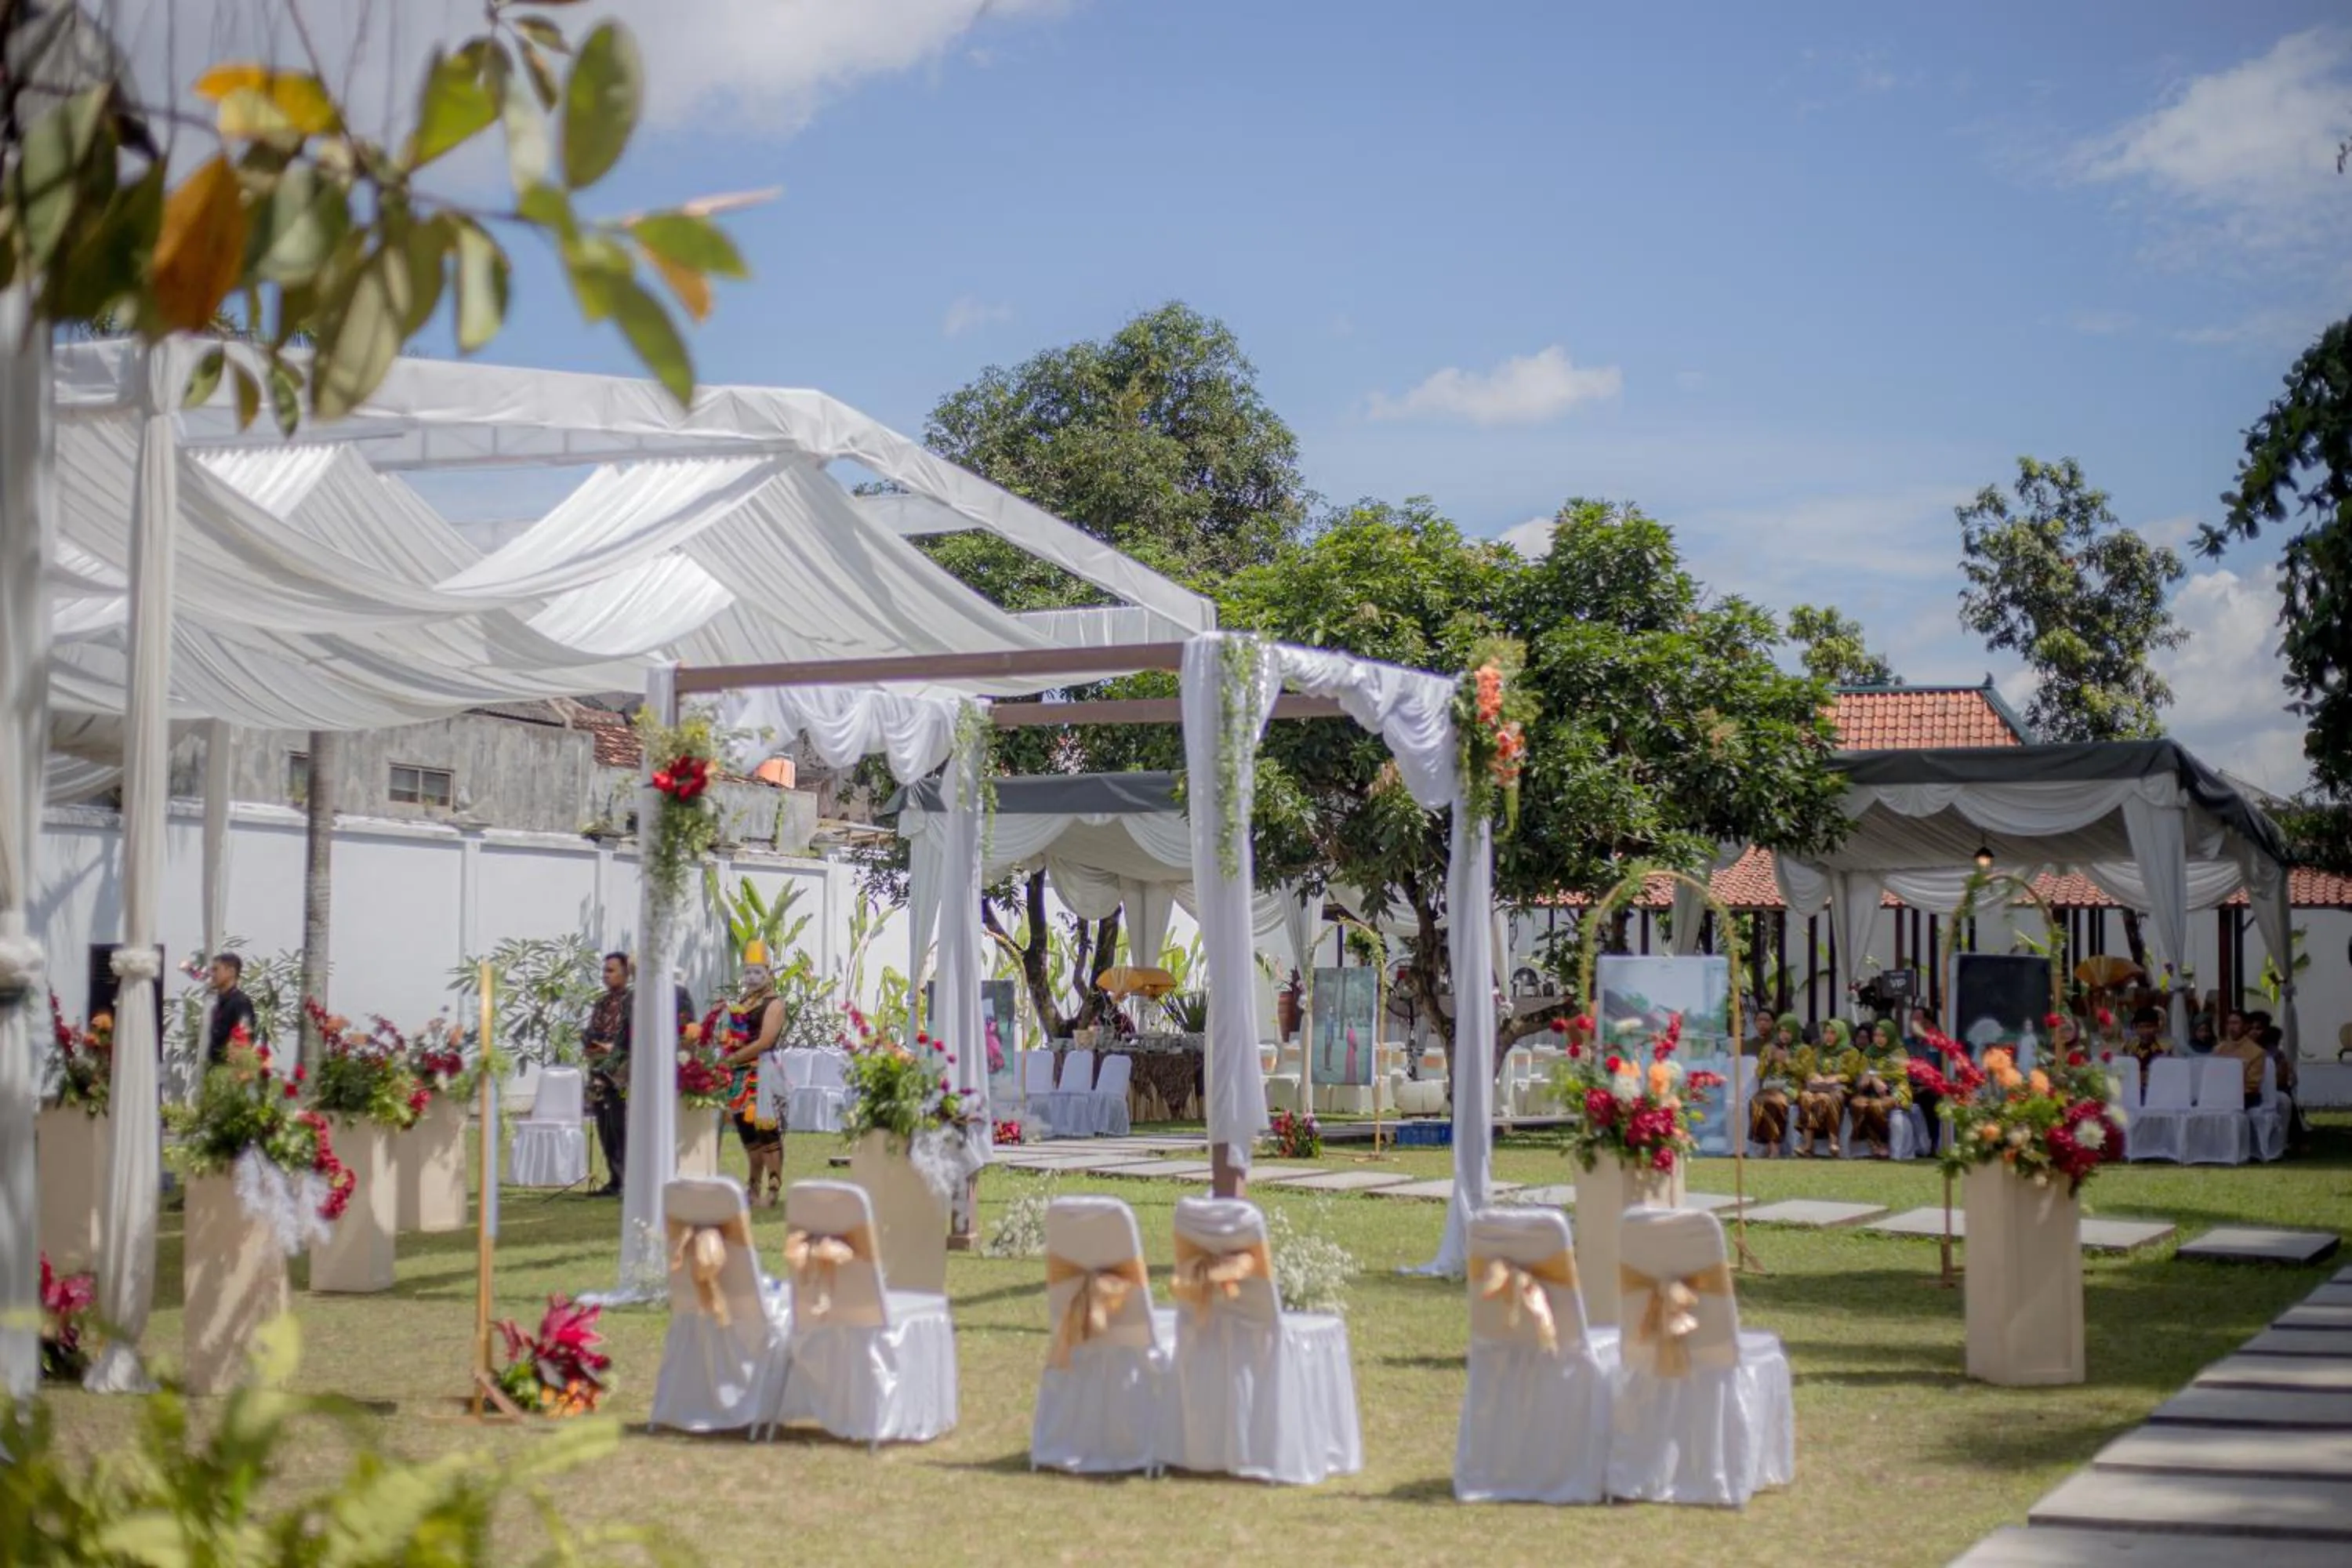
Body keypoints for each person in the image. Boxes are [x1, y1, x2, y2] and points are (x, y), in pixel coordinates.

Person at [719, 942, 788, 1206]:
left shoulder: (775, 1003)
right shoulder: (740, 1003)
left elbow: (765, 1040)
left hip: (762, 1075)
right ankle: (752, 1187)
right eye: (748, 972)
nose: (751, 978)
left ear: (769, 974)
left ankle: (773, 1190)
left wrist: (734, 1057)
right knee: (748, 1137)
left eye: (757, 972)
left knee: (768, 1133)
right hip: (738, 1076)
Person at [582, 953, 633, 1195]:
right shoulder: (602, 1003)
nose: (606, 975)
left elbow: (630, 1037)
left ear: (626, 973)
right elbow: (593, 1030)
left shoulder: (632, 1001)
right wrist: (590, 1043)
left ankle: (628, 1179)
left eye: (611, 971)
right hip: (599, 1071)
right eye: (605, 971)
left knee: (620, 1124)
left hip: (622, 1073)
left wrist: (612, 1048)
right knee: (603, 1126)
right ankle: (615, 1179)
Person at [1796, 1018, 1849, 1158]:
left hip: (1838, 1088)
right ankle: (1808, 1144)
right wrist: (1815, 1076)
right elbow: (1809, 1069)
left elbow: (1853, 1073)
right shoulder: (1817, 1051)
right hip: (1818, 1087)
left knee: (1829, 1098)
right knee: (1805, 1097)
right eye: (1826, 1032)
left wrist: (1837, 1078)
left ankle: (1833, 1142)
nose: (1828, 1036)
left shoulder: (1850, 1052)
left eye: (1833, 1033)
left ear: (1841, 1034)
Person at [1748, 1014, 1800, 1154]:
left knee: (1774, 1102)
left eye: (1788, 1031)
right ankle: (1762, 1144)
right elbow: (1759, 1073)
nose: (1784, 1035)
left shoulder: (1803, 1050)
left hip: (1791, 1088)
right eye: (1781, 1031)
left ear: (1795, 1031)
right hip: (1770, 1087)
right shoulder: (1769, 1048)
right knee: (1756, 1101)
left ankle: (1774, 1146)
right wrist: (1768, 1060)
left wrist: (1787, 1061)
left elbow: (1805, 1073)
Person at [204, 952, 259, 1068]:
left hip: (229, 1073)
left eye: (216, 970)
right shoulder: (219, 1005)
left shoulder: (241, 1003)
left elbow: (244, 1039)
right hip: (216, 1072)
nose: (212, 975)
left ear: (231, 972)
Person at [2213, 1007, 2266, 1109]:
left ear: (2245, 1026)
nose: (2231, 1027)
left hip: (2246, 1097)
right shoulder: (2219, 1049)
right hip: (2220, 1095)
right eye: (2229, 1023)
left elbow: (2252, 1084)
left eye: (2235, 1023)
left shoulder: (2257, 1052)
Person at [2125, 1005, 2165, 1089]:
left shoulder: (2166, 1047)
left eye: (2149, 1026)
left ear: (2157, 1027)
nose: (2145, 1031)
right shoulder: (2129, 1046)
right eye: (2141, 1027)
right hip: (2133, 1089)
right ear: (2135, 1028)